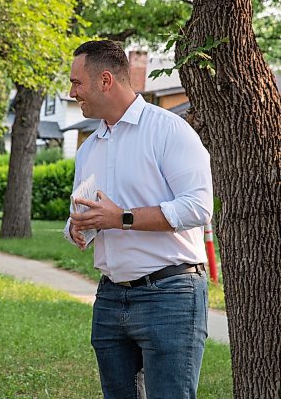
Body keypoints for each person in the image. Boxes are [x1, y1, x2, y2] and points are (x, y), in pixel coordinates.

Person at [64, 40, 213, 398]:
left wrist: (122, 218)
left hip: (171, 296)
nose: (71, 93)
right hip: (110, 297)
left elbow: (198, 207)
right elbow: (85, 216)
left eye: (76, 83)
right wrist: (77, 227)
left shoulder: (169, 130)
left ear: (104, 81)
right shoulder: (89, 148)